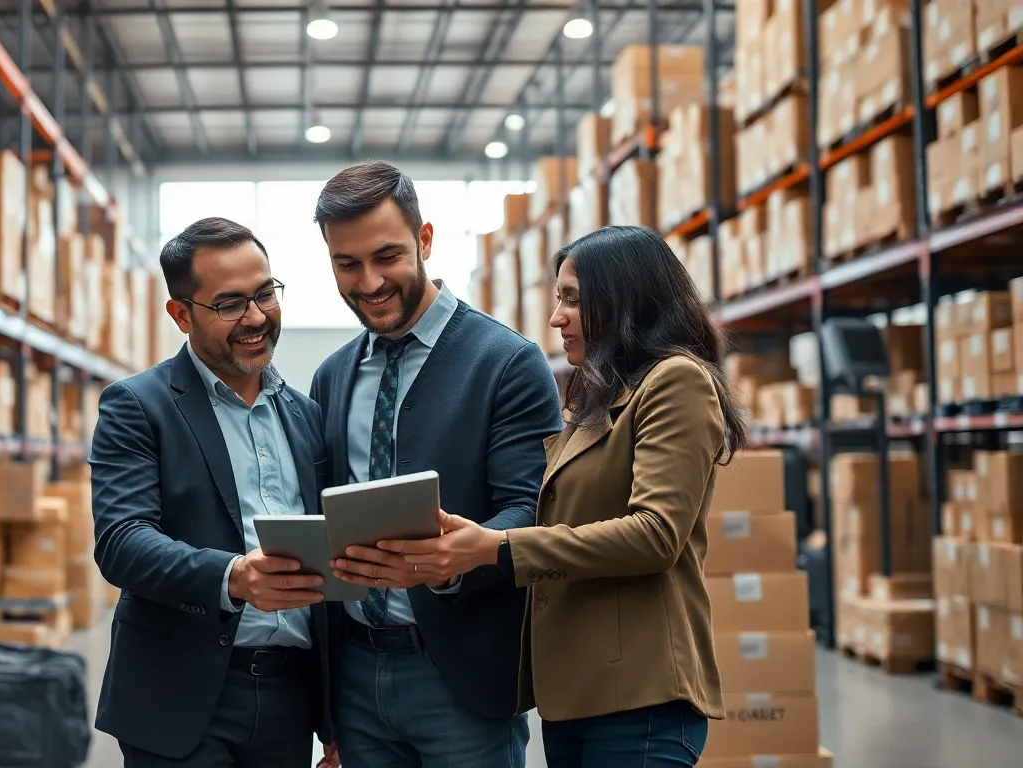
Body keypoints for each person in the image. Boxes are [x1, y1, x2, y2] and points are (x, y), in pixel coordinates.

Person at [378, 225, 750, 767]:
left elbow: (656, 535)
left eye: (571, 299)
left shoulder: (676, 383)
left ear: (623, 298)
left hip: (639, 696)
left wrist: (497, 547)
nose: (557, 318)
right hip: (577, 693)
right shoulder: (598, 403)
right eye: (558, 300)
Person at [307, 161, 564, 768]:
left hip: (459, 678)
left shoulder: (507, 363)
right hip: (357, 680)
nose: (368, 281)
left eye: (387, 256)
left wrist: (457, 561)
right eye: (347, 264)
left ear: (424, 240)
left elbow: (531, 508)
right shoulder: (333, 375)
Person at [89, 217, 338, 768]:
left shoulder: (307, 416)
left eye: (264, 294)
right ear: (181, 314)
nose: (255, 318)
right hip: (181, 695)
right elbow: (122, 541)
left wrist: (334, 718)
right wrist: (233, 577)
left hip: (290, 698)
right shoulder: (138, 406)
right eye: (229, 304)